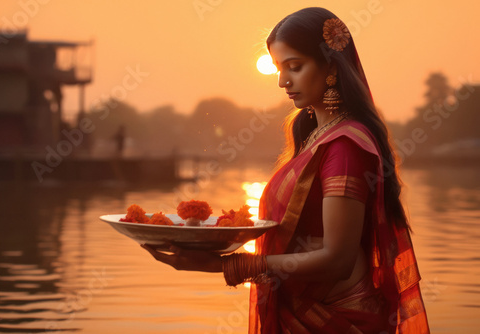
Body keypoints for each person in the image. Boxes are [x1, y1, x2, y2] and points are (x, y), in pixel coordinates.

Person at [142, 7, 429, 333]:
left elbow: (338, 258)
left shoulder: (345, 147)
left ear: (331, 66)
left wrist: (230, 266)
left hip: (337, 318)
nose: (282, 81)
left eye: (294, 67)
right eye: (279, 68)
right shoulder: (314, 137)